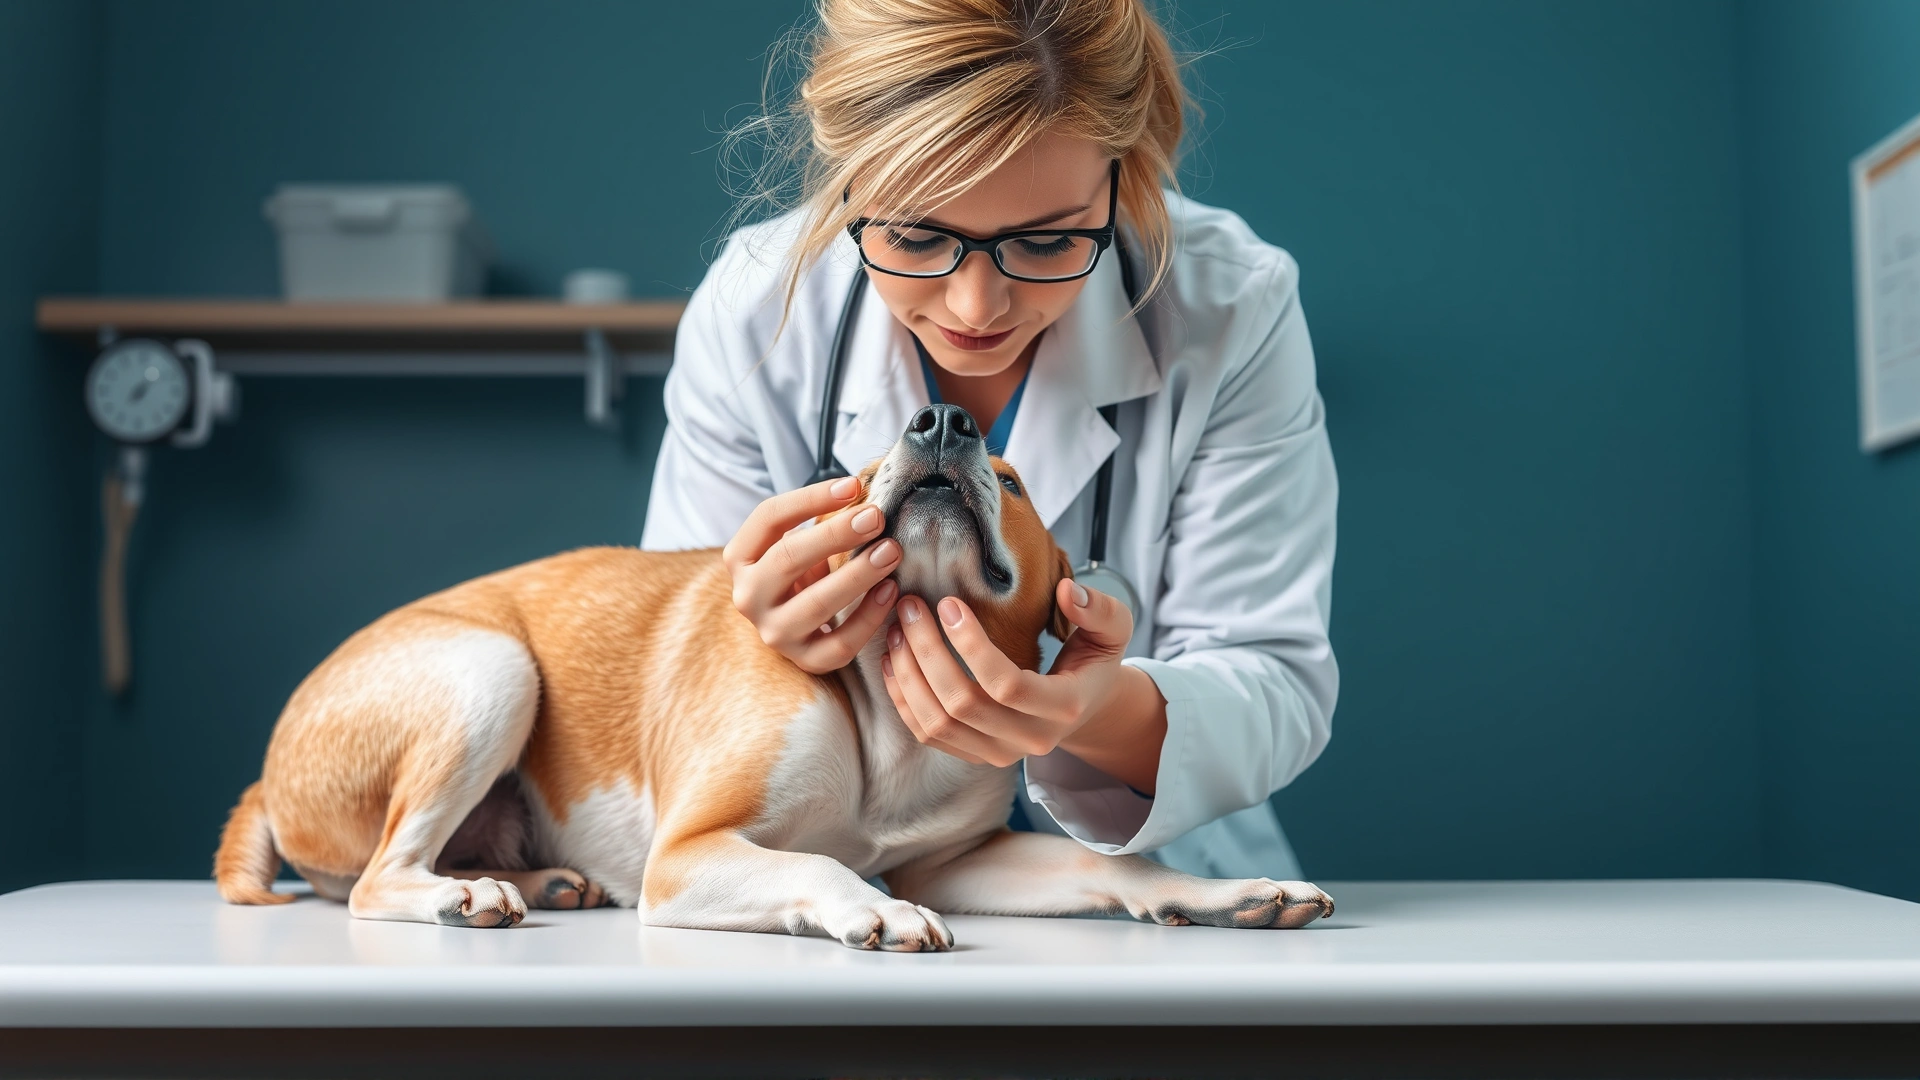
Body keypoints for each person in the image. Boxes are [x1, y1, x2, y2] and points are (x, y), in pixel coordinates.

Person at [642, 0, 1337, 880]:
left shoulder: (1229, 306)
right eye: (915, 236)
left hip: (1140, 895)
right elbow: (665, 679)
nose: (975, 308)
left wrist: (1093, 713)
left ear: (1129, 177)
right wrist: (741, 626)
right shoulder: (755, 311)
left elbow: (1274, 683)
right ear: (846, 181)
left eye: (1048, 241)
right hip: (816, 891)